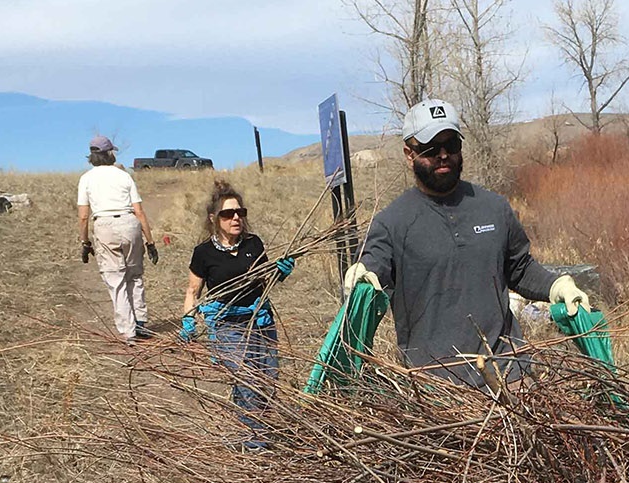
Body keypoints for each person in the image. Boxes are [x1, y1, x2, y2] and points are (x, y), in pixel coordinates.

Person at [341, 98, 590, 388]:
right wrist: (364, 274)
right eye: (431, 148)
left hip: (511, 376)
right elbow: (375, 268)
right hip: (438, 391)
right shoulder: (392, 222)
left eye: (452, 145)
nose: (444, 155)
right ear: (409, 154)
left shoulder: (494, 208)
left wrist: (558, 286)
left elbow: (520, 269)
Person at [181, 181, 295, 451]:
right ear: (213, 218)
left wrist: (280, 271)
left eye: (239, 213)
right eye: (227, 214)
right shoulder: (203, 253)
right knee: (248, 381)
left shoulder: (254, 244)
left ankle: (253, 428)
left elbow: (265, 280)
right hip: (227, 325)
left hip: (260, 321)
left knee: (268, 377)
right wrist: (188, 319)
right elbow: (192, 290)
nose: (235, 218)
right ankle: (256, 443)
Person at [76, 135, 159, 345]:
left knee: (116, 280)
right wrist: (150, 242)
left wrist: (85, 242)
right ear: (110, 153)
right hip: (129, 224)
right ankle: (140, 321)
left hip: (104, 225)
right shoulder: (124, 176)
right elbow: (139, 211)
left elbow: (83, 215)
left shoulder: (86, 179)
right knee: (134, 275)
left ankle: (128, 330)